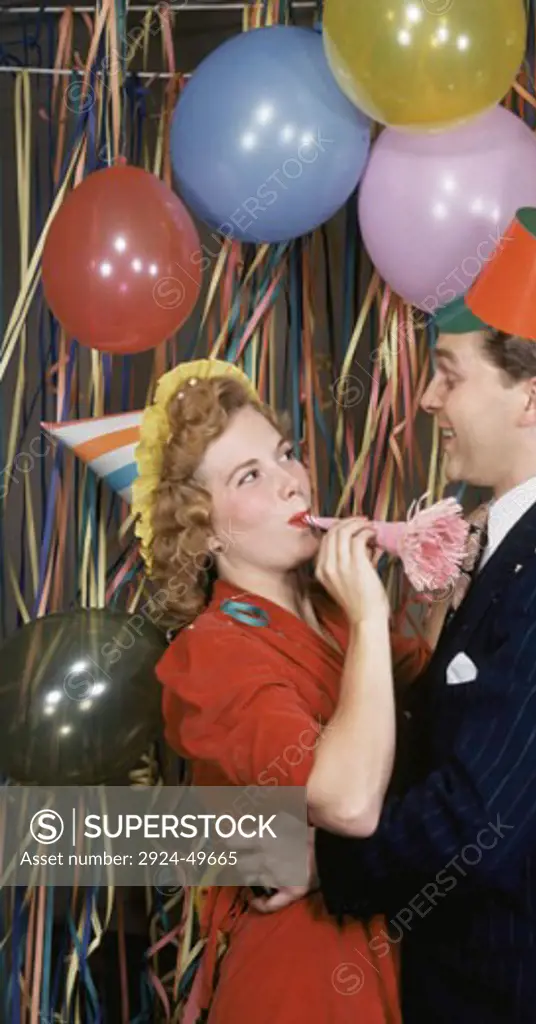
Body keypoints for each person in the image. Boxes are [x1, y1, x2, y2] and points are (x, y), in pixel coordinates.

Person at [260, 211, 536, 1023]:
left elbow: (477, 824)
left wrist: (322, 863)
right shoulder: (524, 543)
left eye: (449, 373)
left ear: (530, 400)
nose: (426, 396)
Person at [131, 358, 432, 1023]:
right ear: (204, 529)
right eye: (251, 477)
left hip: (395, 963)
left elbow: (447, 740)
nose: (293, 482)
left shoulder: (330, 617)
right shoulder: (211, 650)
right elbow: (350, 802)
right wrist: (371, 616)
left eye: (286, 455)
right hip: (299, 983)